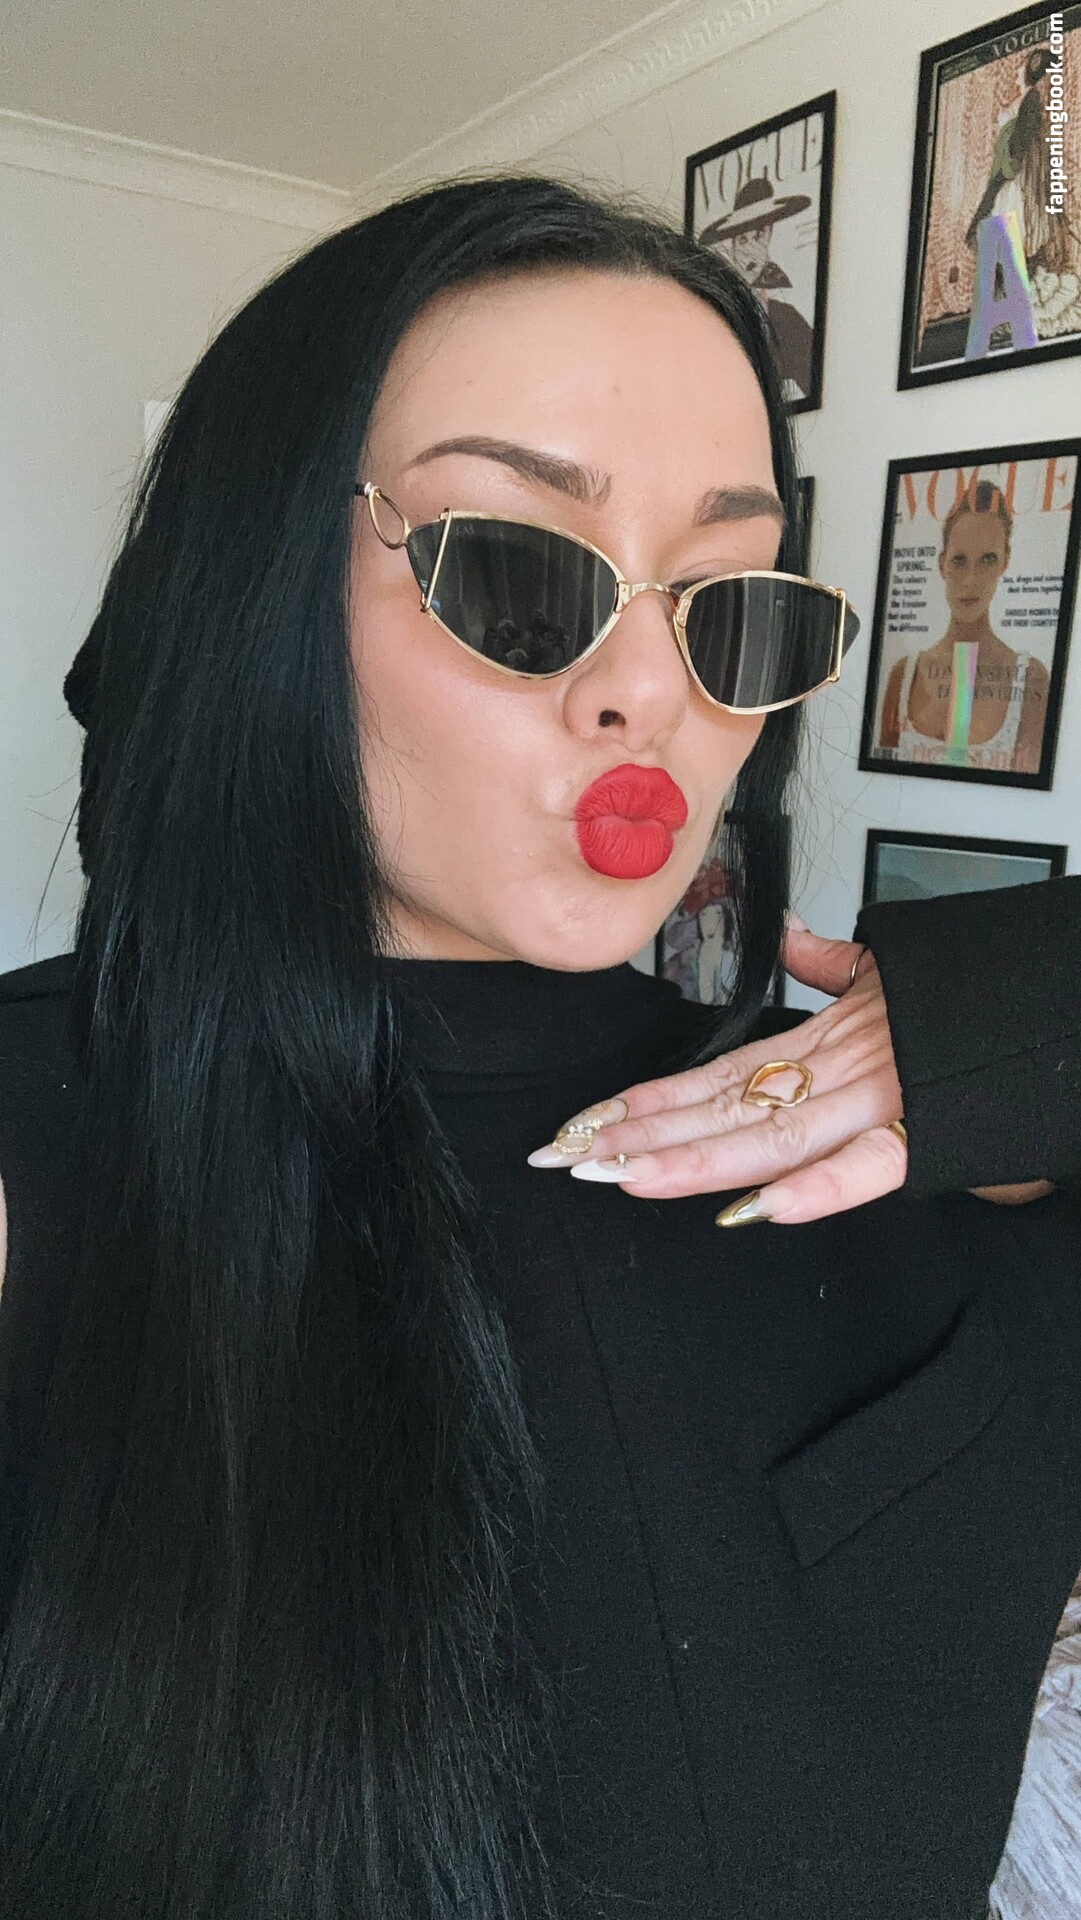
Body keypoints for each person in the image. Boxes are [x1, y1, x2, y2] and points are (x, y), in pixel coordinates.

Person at [0, 173, 1078, 1920]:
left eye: (725, 603)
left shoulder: (899, 1148)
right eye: (512, 571)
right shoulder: (43, 1153)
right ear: (255, 592)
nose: (649, 690)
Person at [877, 480, 1050, 776]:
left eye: (987, 559)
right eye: (959, 560)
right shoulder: (903, 675)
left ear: (1005, 562)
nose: (971, 580)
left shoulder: (1030, 678)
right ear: (942, 564)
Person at [698, 176, 816, 402]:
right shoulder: (715, 324)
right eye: (742, 240)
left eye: (758, 235)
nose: (750, 250)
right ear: (733, 247)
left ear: (769, 236)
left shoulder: (788, 319)